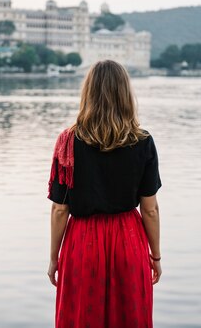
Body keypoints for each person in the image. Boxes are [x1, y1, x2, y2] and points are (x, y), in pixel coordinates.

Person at [47, 60, 162, 328]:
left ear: (87, 93)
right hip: (128, 241)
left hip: (82, 242)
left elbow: (60, 209)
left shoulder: (68, 141)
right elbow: (150, 209)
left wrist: (55, 257)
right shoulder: (142, 142)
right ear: (125, 94)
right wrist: (155, 255)